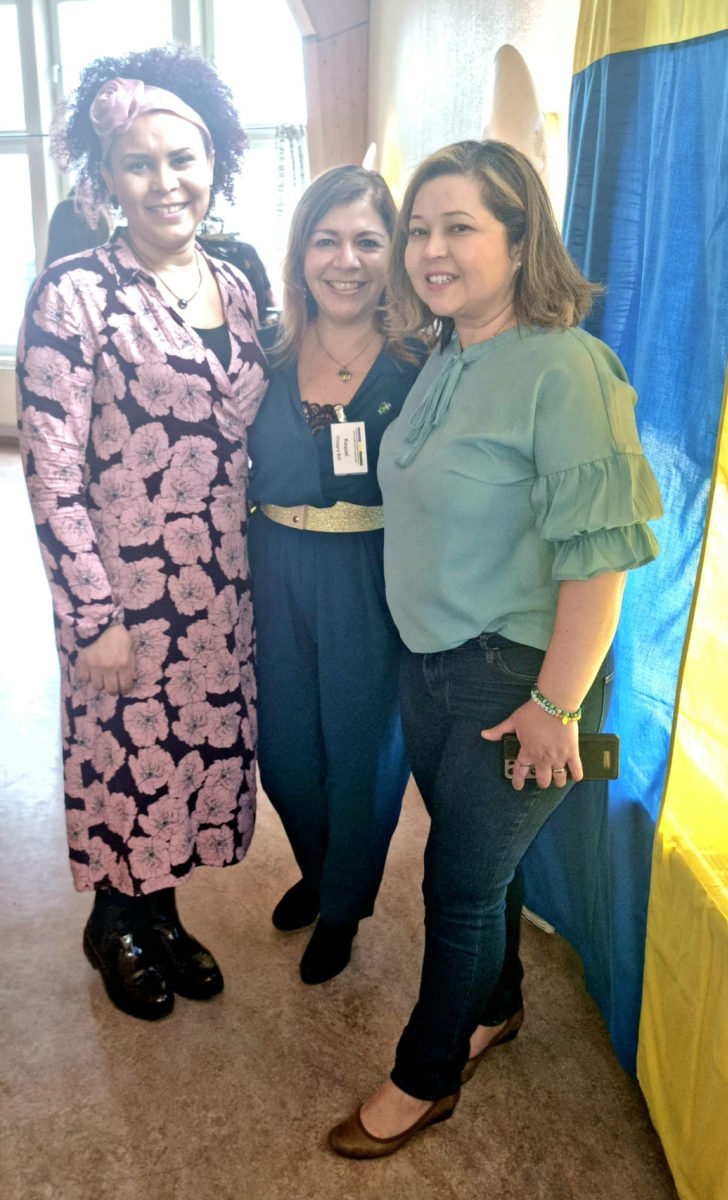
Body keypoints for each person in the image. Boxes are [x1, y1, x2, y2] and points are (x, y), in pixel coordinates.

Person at [327, 140, 664, 1156]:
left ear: (520, 243)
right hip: (432, 665)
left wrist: (556, 708)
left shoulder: (566, 367)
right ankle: (499, 1003)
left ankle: (425, 1077)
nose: (430, 249)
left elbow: (601, 563)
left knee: (458, 884)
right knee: (489, 865)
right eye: (419, 229)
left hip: (517, 677)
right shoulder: (447, 352)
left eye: (460, 228)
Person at [16, 47, 268, 1021]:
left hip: (220, 589)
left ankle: (158, 910)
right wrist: (94, 619)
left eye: (183, 158)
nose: (166, 182)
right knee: (122, 759)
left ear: (215, 163)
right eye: (139, 162)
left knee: (187, 759)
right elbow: (52, 473)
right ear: (108, 179)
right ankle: (112, 923)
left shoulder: (235, 285)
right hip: (122, 593)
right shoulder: (73, 292)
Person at [247, 166, 423, 984]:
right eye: (327, 240)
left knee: (362, 753)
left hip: (371, 572)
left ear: (394, 255)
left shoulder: (420, 362)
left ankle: (343, 903)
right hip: (274, 565)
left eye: (367, 242)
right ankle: (319, 868)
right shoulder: (265, 350)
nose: (345, 261)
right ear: (301, 254)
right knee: (283, 753)